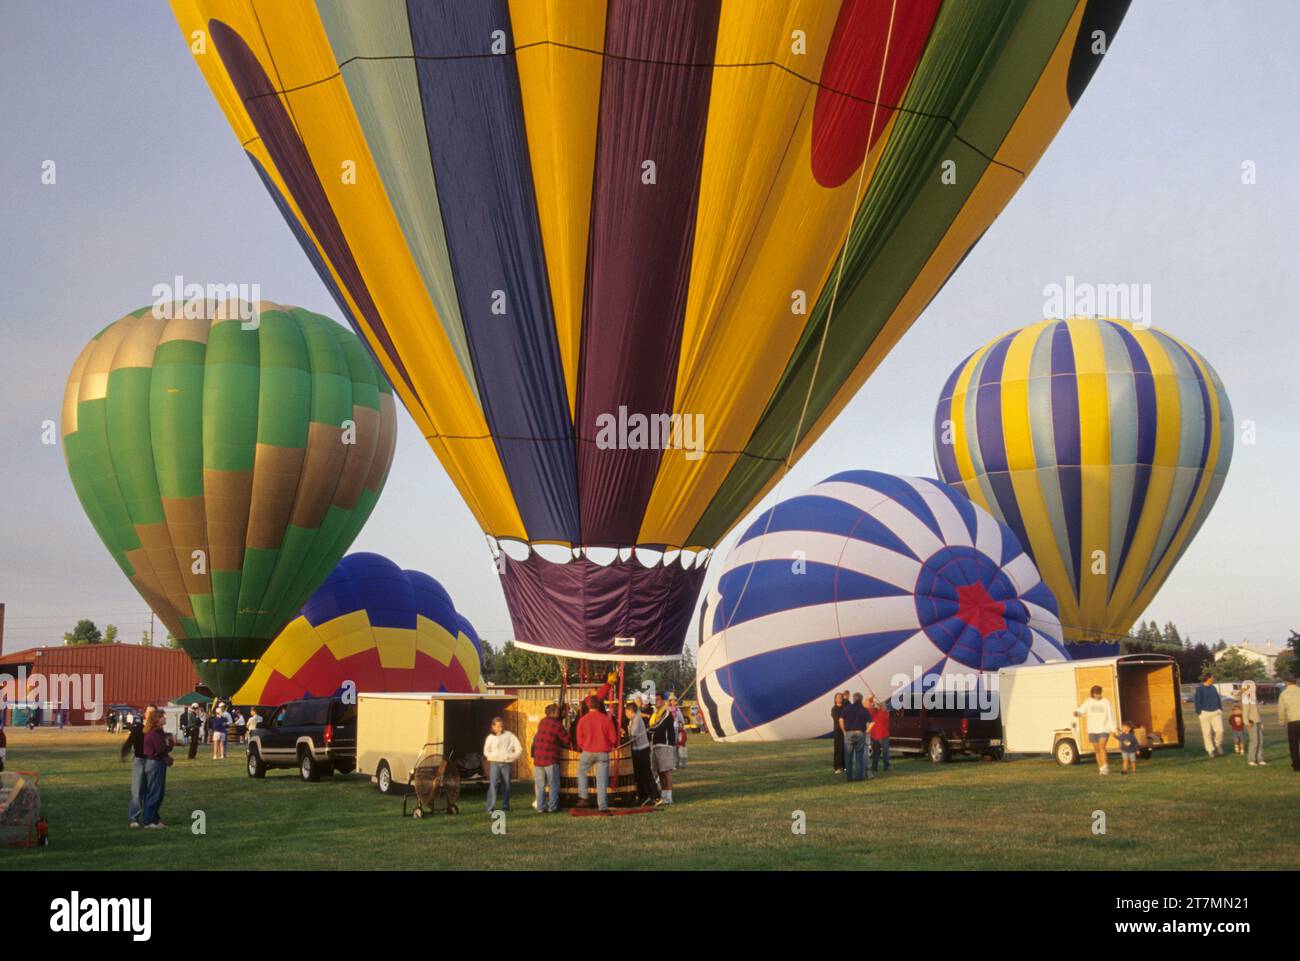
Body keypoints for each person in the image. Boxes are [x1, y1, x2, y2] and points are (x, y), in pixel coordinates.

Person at [576, 696, 619, 811]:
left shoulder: (583, 720)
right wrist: (610, 746)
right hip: (603, 752)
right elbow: (614, 739)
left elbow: (579, 740)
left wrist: (583, 746)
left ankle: (583, 797)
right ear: (599, 705)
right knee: (602, 780)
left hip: (588, 751)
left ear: (588, 706)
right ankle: (603, 806)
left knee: (581, 772)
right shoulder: (606, 719)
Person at [529, 703, 569, 814]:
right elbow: (566, 739)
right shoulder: (557, 725)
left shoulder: (542, 721)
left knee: (539, 785)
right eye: (558, 711)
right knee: (553, 784)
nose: (560, 713)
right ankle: (552, 807)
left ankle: (540, 807)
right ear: (554, 713)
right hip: (550, 758)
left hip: (538, 758)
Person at [1073, 685, 1118, 775]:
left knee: (1102, 747)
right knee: (1097, 749)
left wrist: (1113, 728)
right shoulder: (1088, 702)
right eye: (1095, 693)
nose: (1097, 695)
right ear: (1092, 694)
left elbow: (1110, 715)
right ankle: (1101, 768)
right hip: (1092, 729)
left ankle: (1105, 767)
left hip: (1104, 728)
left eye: (1099, 693)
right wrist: (1077, 713)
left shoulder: (1106, 702)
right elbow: (1081, 710)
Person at [140, 706, 173, 828]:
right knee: (154, 792)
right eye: (162, 716)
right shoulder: (154, 733)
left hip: (158, 763)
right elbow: (161, 749)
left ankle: (155, 818)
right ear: (157, 719)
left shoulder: (159, 732)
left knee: (159, 793)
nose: (164, 718)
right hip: (154, 764)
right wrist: (169, 745)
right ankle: (149, 821)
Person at [119, 707, 149, 828]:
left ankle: (149, 817)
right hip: (140, 761)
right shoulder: (138, 729)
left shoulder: (155, 731)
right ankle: (134, 818)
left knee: (149, 792)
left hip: (152, 762)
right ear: (145, 716)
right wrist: (123, 754)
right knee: (137, 791)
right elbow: (129, 742)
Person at [648, 692, 678, 805]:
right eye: (655, 700)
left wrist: (649, 729)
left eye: (658, 699)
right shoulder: (656, 713)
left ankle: (669, 796)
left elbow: (660, 726)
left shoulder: (667, 712)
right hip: (656, 744)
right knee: (660, 771)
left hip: (665, 745)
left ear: (664, 701)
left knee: (666, 771)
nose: (656, 702)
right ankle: (663, 795)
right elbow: (653, 726)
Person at [624, 700, 656, 806]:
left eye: (626, 712)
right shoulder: (632, 720)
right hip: (637, 750)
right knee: (639, 775)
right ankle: (644, 796)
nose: (625, 714)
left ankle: (654, 795)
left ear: (630, 711)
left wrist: (623, 743)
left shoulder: (636, 720)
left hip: (642, 750)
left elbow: (633, 736)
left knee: (646, 773)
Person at [839, 693, 871, 782]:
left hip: (849, 733)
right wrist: (867, 731)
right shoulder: (864, 710)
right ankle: (858, 777)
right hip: (860, 733)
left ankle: (849, 777)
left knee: (848, 756)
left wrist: (844, 731)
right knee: (859, 756)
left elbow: (841, 720)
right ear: (861, 699)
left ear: (853, 699)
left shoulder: (847, 708)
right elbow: (871, 722)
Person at [1193, 674, 1224, 757]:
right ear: (1208, 679)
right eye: (1212, 677)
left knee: (1220, 730)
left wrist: (1220, 708)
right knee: (1207, 733)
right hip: (1205, 713)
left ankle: (1218, 745)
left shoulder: (1213, 688)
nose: (1213, 679)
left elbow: (1217, 699)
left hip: (1215, 712)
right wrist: (1199, 712)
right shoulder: (1200, 689)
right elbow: (1197, 701)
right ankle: (1210, 750)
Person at [1240, 680, 1266, 766]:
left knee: (1260, 741)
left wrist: (1261, 721)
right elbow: (1245, 712)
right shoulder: (1245, 697)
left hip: (1258, 721)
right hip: (1252, 722)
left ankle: (1260, 759)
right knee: (1254, 741)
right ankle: (1252, 759)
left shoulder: (1253, 697)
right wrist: (1247, 722)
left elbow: (1257, 711)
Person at [1277, 675, 1300, 773]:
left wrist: (1282, 721)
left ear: (1287, 682)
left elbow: (1281, 709)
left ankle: (1296, 765)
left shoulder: (1283, 694)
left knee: (1293, 745)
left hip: (1293, 722)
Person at [868, 695, 891, 773]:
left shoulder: (886, 713)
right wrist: (872, 699)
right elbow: (870, 707)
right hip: (875, 736)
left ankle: (886, 767)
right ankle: (874, 767)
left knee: (885, 752)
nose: (885, 707)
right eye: (884, 706)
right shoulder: (874, 712)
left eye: (885, 706)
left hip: (884, 736)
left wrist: (878, 706)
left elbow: (883, 713)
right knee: (876, 753)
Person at [670, 695, 688, 769]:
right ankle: (674, 764)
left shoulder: (677, 710)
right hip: (670, 729)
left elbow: (682, 720)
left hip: (676, 729)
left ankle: (677, 764)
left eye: (675, 700)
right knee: (672, 747)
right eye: (672, 700)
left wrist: (682, 728)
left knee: (678, 747)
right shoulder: (667, 709)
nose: (674, 702)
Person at [830, 693, 846, 774]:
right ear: (835, 699)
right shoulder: (834, 709)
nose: (840, 699)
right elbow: (838, 719)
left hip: (845, 731)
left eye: (841, 697)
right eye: (838, 697)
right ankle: (837, 767)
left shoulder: (845, 707)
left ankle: (844, 766)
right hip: (838, 732)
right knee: (838, 749)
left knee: (845, 749)